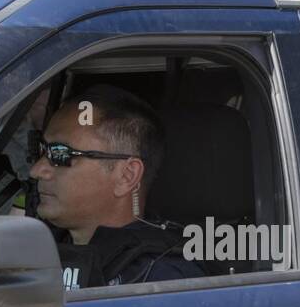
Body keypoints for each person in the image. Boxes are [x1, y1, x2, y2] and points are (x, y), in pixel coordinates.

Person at [27, 84, 205, 289]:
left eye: (60, 154)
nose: (37, 170)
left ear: (126, 176)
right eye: (41, 149)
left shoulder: (161, 281)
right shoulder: (42, 248)